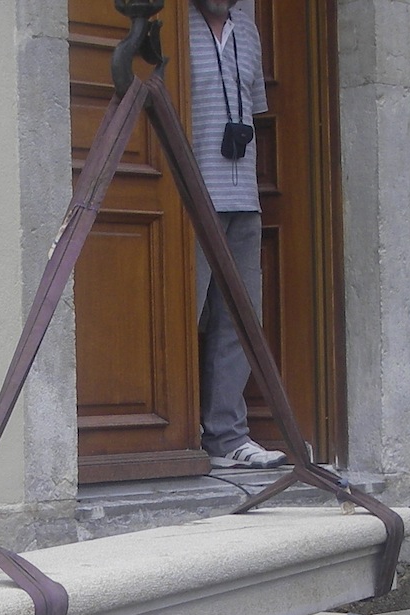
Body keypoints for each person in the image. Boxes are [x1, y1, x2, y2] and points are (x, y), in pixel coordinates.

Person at [188, 0, 287, 469]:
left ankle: (227, 437)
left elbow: (254, 111)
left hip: (243, 198)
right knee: (179, 318)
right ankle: (174, 441)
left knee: (240, 321)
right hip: (187, 195)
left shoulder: (248, 31)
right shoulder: (172, 29)